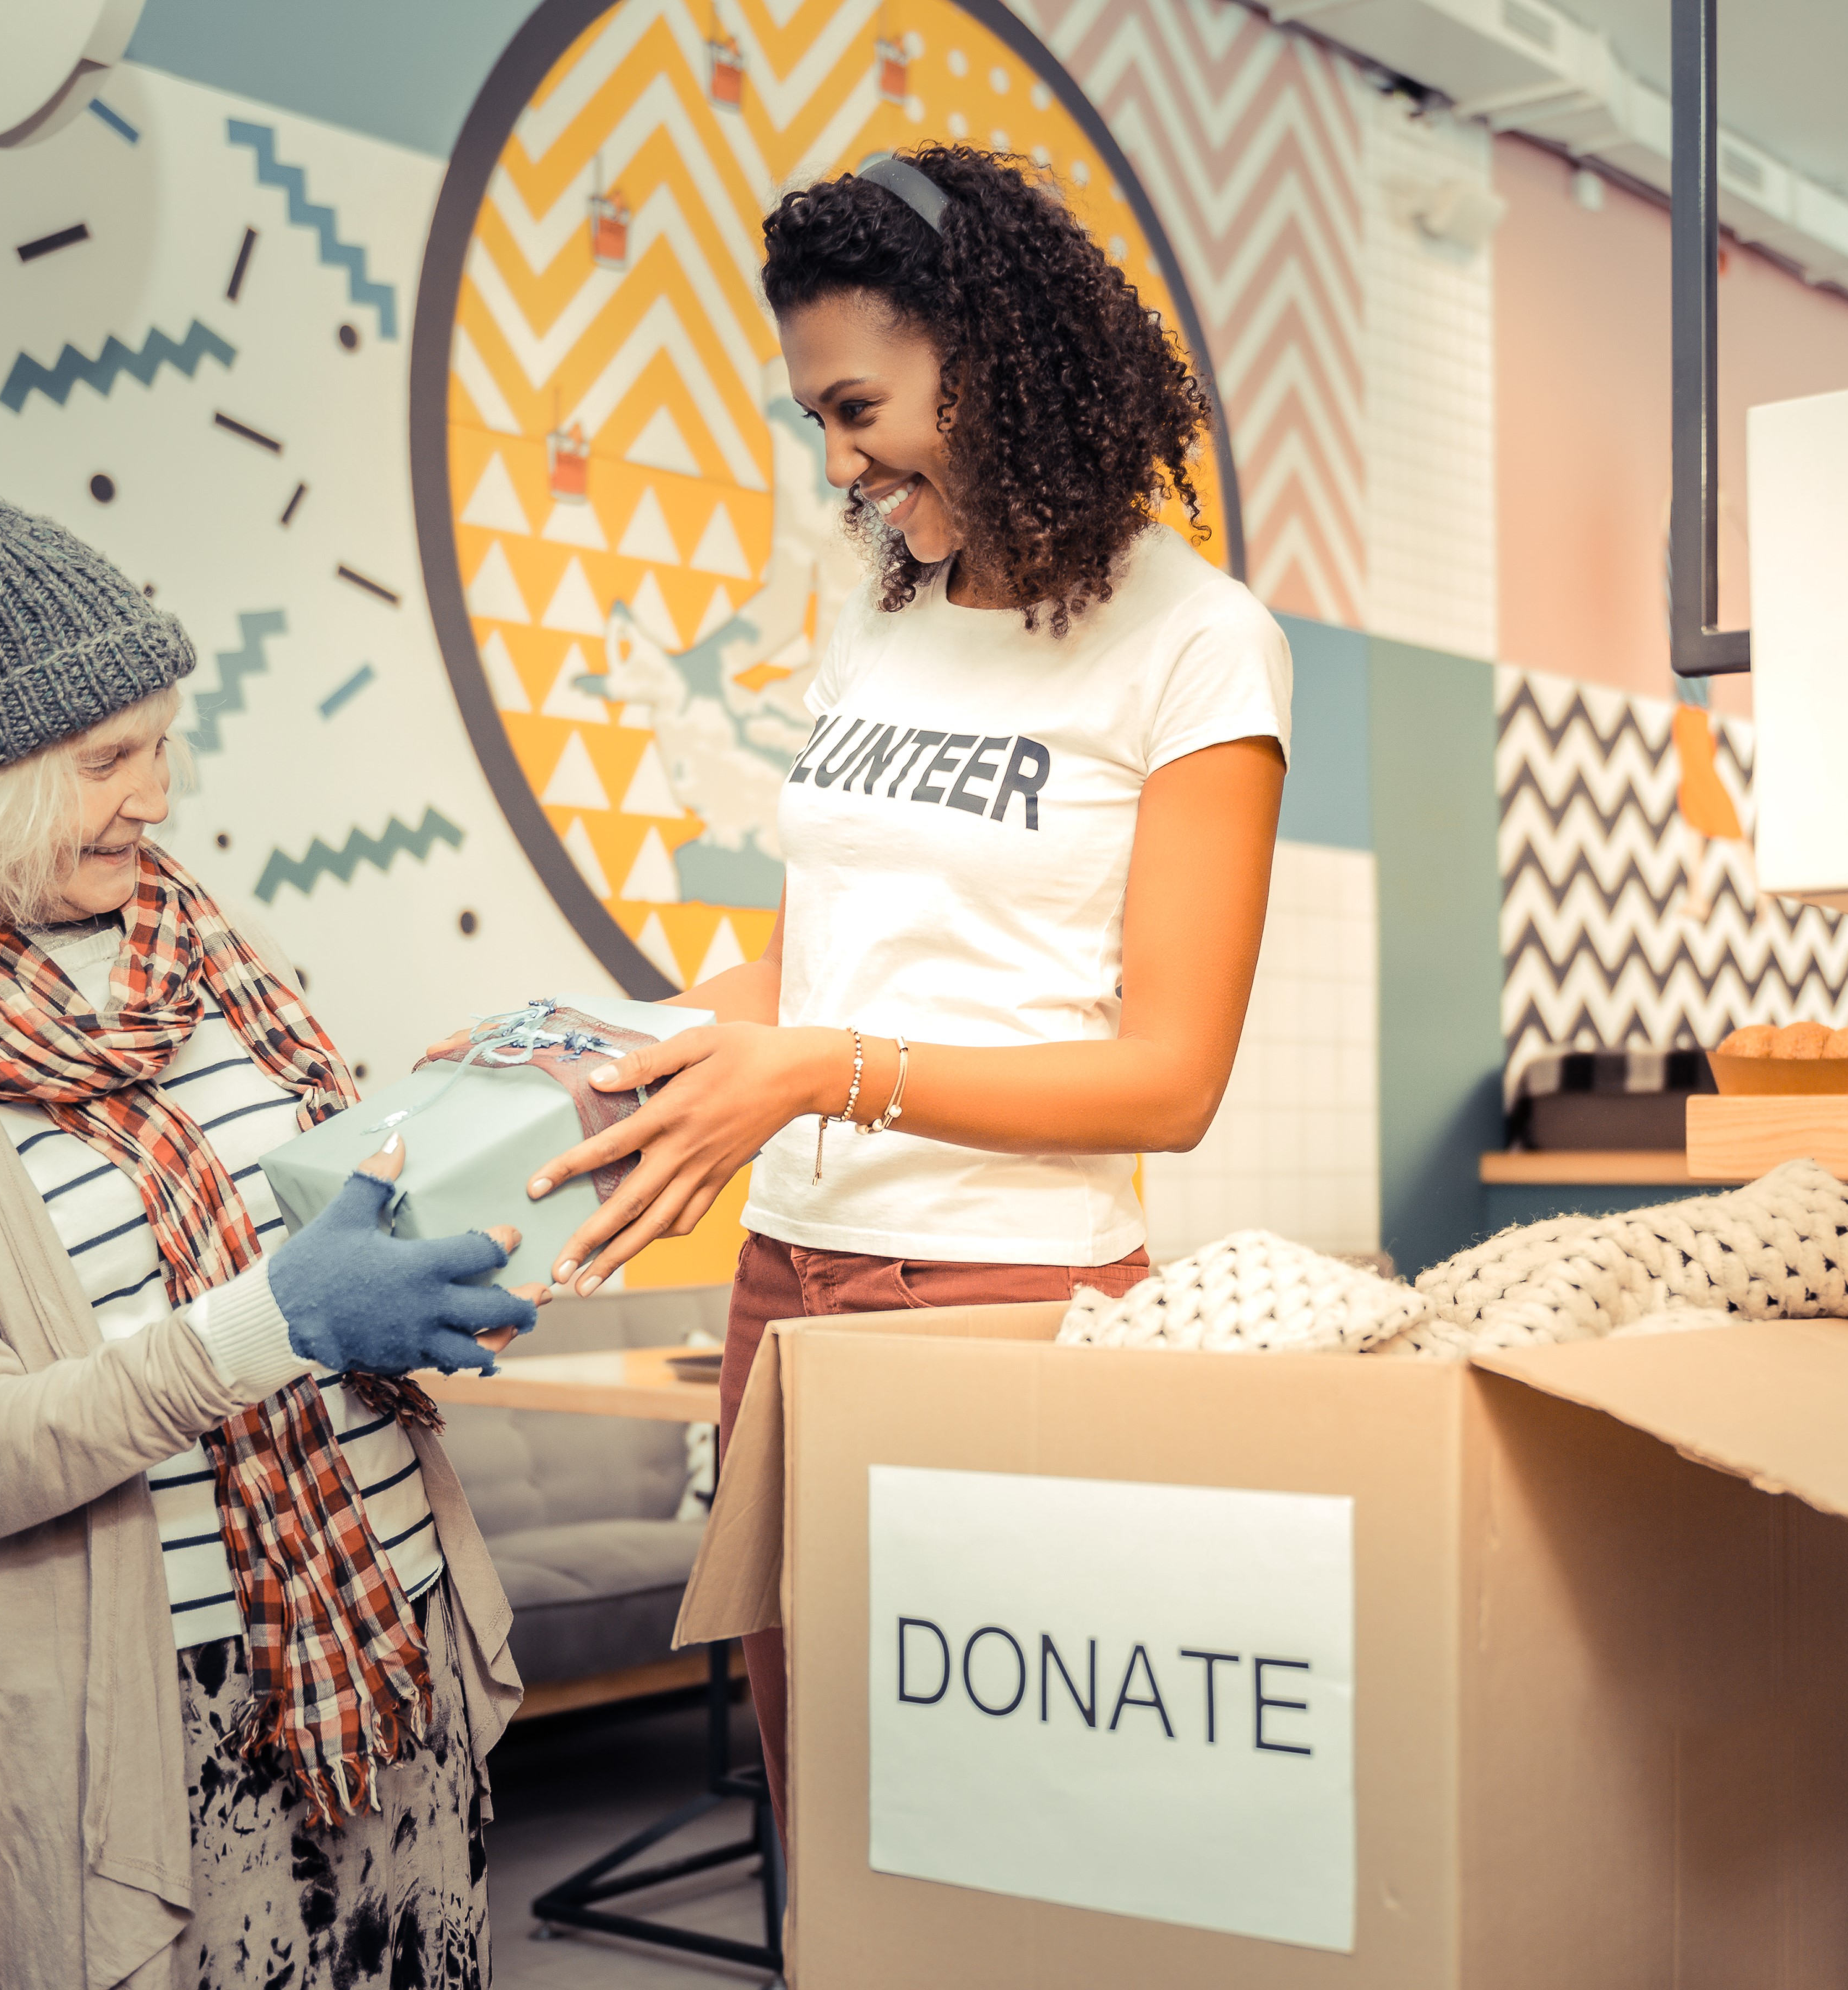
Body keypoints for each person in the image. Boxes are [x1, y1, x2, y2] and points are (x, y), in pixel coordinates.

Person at [460, 146, 1292, 1832]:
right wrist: (589, 1053)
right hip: (791, 1281)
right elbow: (810, 958)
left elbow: (1170, 1078)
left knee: (987, 1835)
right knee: (824, 1821)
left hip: (1001, 1297)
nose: (840, 466)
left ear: (985, 359)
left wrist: (822, 1071)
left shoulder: (1194, 644)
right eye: (818, 423)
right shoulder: (886, 619)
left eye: (860, 409)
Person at [0, 497, 539, 1990]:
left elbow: (320, 1213)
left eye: (163, 745)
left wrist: (460, 1236)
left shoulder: (196, 943)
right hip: (156, 1708)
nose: (156, 800)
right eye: (107, 761)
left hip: (387, 1628)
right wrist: (281, 1326)